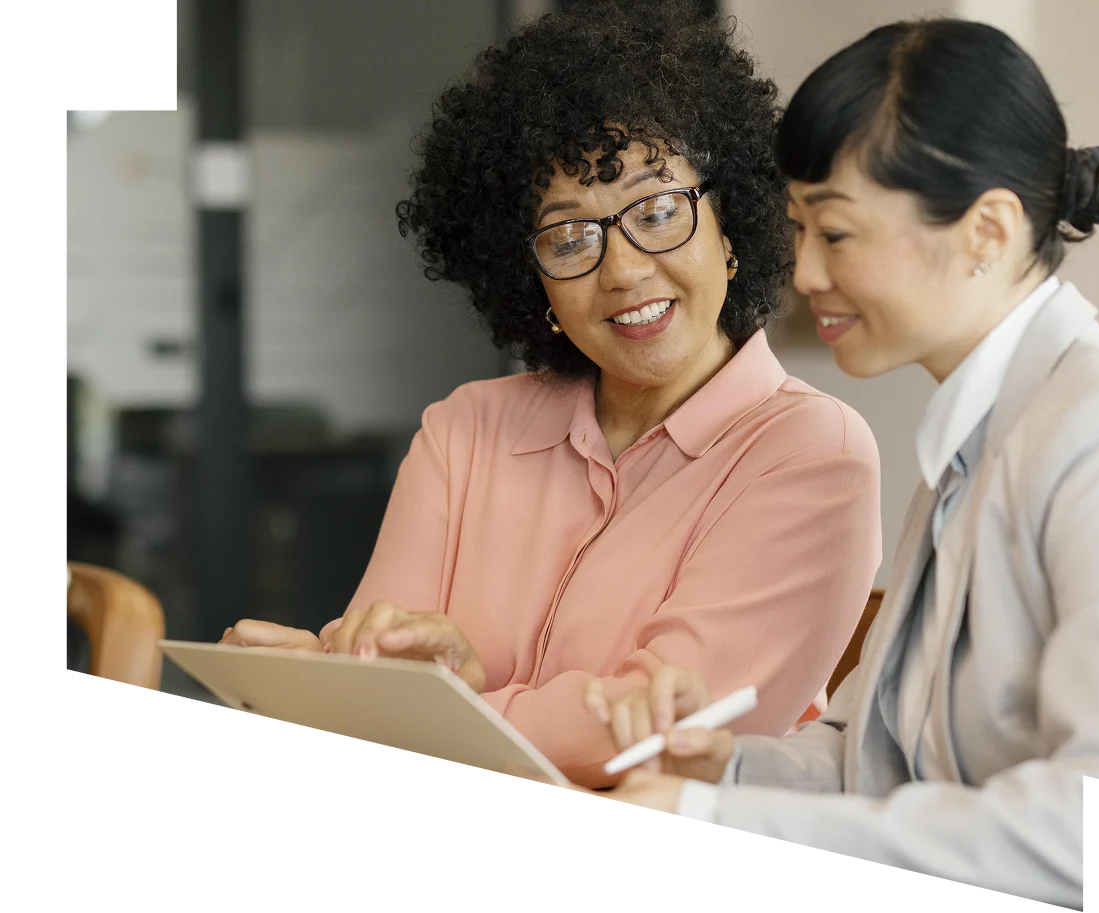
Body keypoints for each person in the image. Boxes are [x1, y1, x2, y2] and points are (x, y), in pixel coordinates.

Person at [589, 17, 1099, 908]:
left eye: (834, 234)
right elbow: (873, 757)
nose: (802, 272)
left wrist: (724, 814)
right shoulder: (975, 432)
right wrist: (725, 769)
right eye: (797, 230)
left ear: (988, 229)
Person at [219, 1, 882, 789]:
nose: (624, 269)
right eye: (569, 236)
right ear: (529, 276)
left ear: (730, 222)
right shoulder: (465, 430)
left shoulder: (809, 452)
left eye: (659, 210)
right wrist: (332, 685)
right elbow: (377, 676)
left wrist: (439, 705)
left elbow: (658, 731)